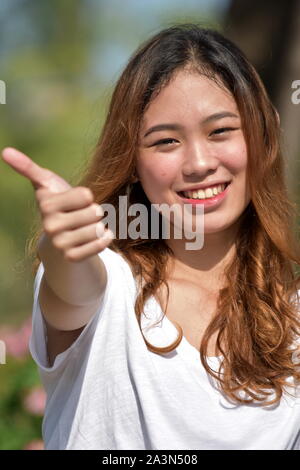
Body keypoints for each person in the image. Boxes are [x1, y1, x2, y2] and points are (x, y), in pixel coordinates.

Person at [2, 23, 300, 450]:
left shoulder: (291, 317)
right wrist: (63, 246)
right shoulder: (110, 283)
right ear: (133, 162)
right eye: (165, 141)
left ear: (260, 138)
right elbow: (73, 283)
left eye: (220, 131)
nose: (198, 163)